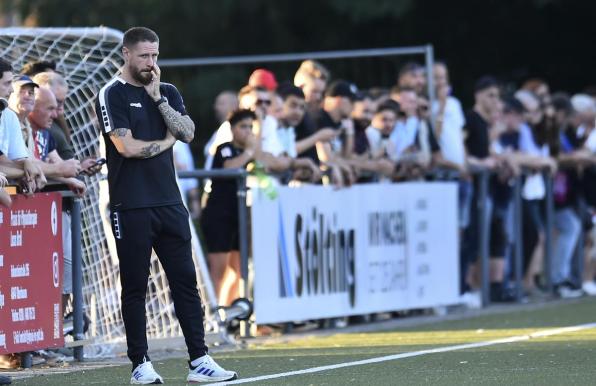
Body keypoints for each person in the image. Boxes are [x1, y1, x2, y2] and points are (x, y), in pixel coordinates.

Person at [95, 27, 236, 384]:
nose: (151, 63)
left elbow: (186, 131)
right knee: (135, 287)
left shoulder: (167, 90)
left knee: (186, 283)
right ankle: (140, 364)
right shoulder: (112, 93)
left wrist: (158, 98)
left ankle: (199, 360)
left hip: (169, 204)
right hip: (131, 206)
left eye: (155, 55)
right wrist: (163, 141)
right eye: (144, 56)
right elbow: (126, 147)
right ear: (126, 54)